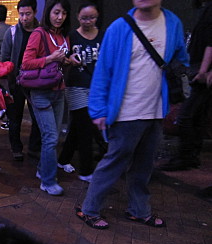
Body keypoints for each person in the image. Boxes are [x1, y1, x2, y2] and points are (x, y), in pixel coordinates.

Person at [75, 0, 189, 230]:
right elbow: (103, 70)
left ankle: (139, 210)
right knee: (114, 163)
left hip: (156, 110)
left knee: (144, 165)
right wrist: (98, 110)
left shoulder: (172, 23)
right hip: (125, 111)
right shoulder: (119, 27)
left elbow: (181, 58)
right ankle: (89, 209)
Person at [22, 0, 72, 196]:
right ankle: (48, 181)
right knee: (50, 137)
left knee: (54, 136)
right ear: (48, 13)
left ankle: (43, 170)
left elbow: (62, 62)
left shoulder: (64, 36)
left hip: (59, 90)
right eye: (56, 12)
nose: (60, 17)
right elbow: (26, 64)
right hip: (41, 91)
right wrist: (51, 58)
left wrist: (67, 61)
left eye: (64, 13)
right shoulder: (39, 34)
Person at [160, 1, 212, 171]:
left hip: (204, 71)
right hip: (199, 67)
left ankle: (187, 156)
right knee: (195, 116)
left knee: (186, 116)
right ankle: (190, 156)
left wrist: (204, 70)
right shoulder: (205, 9)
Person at [57, 2, 105, 183]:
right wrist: (69, 59)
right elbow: (61, 59)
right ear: (77, 17)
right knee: (86, 128)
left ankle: (62, 160)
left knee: (77, 128)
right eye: (84, 17)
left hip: (97, 88)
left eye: (92, 17)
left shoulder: (102, 36)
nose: (88, 21)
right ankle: (86, 171)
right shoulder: (71, 36)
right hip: (76, 87)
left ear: (97, 17)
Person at [1, 0, 41, 161]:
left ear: (35, 12)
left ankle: (34, 147)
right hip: (15, 83)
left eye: (28, 14)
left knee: (38, 118)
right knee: (14, 118)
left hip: (37, 83)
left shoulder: (41, 32)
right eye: (22, 14)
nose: (24, 18)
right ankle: (16, 147)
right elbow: (4, 58)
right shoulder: (11, 33)